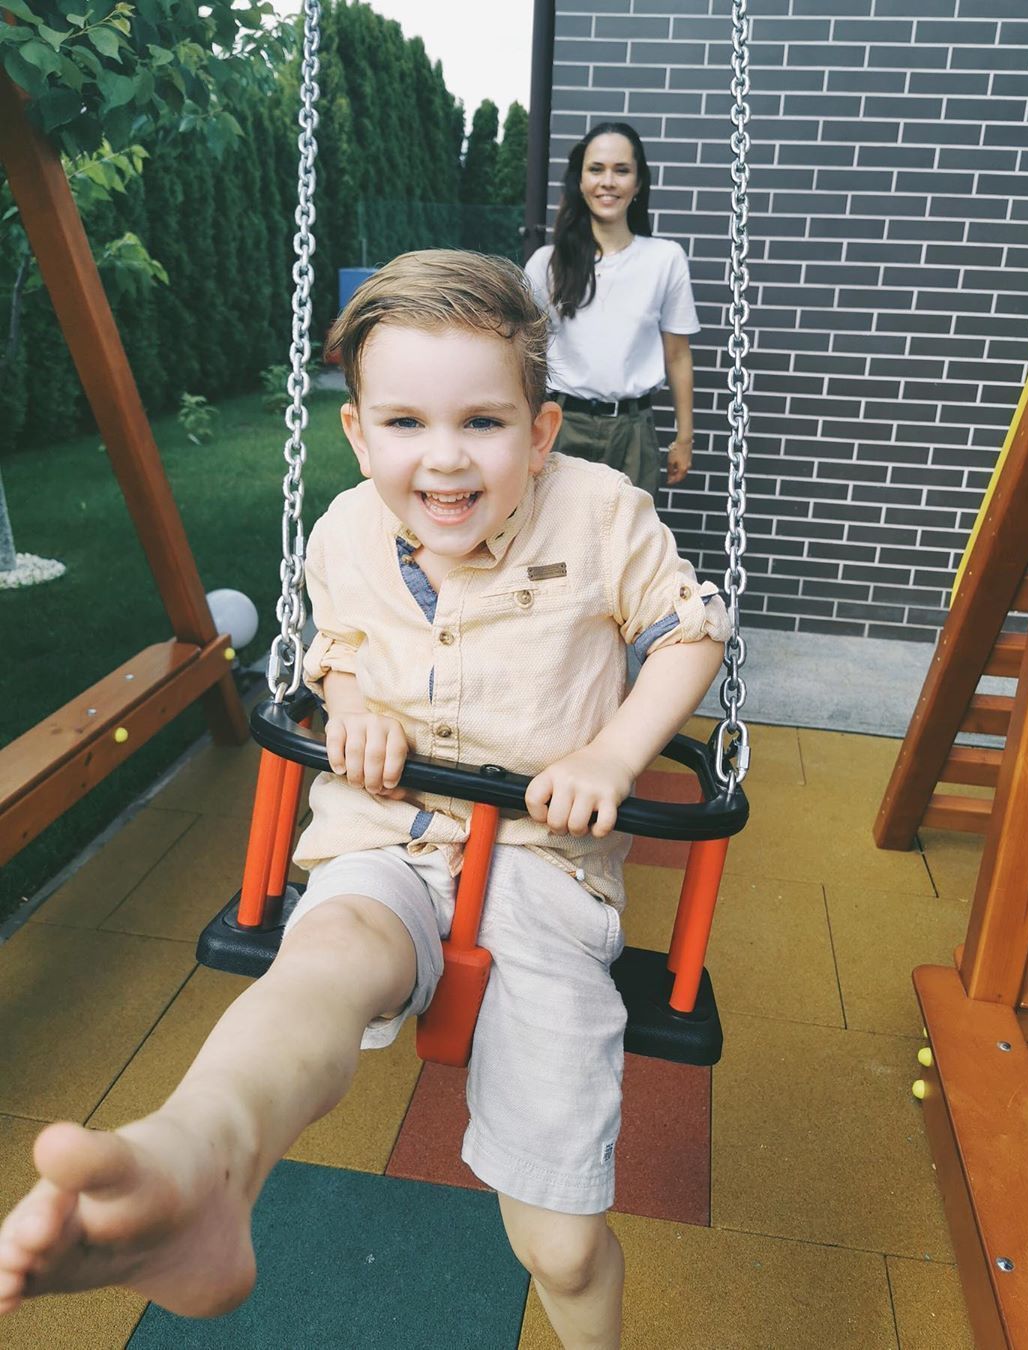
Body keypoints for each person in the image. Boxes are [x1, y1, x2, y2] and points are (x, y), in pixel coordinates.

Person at [0, 251, 728, 1350]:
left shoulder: (601, 514)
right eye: (404, 423)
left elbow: (689, 632)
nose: (445, 457)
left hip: (543, 862)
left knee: (562, 1246)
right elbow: (336, 649)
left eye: (483, 422)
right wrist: (350, 707)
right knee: (325, 963)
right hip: (387, 830)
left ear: (540, 432)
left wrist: (615, 754)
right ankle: (194, 1166)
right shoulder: (344, 529)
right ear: (357, 432)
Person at [525, 122, 700, 499]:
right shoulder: (546, 263)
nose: (608, 181)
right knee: (556, 531)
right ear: (580, 181)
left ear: (638, 183)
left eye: (621, 170)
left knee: (628, 533)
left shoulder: (665, 259)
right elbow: (525, 352)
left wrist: (684, 438)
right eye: (596, 169)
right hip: (561, 424)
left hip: (633, 432)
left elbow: (678, 355)